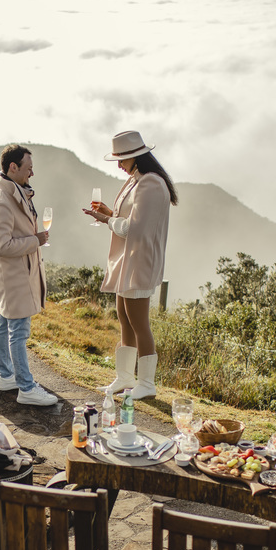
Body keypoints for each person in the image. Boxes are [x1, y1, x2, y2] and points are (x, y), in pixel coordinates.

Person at [84, 130, 178, 399]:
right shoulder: (136, 181)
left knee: (139, 323)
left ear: (136, 156)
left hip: (139, 261)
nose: (119, 165)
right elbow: (129, 218)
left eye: (121, 159)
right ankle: (125, 377)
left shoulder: (151, 184)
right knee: (124, 318)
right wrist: (109, 212)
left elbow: (133, 229)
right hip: (127, 260)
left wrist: (106, 220)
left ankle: (147, 384)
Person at [0, 143, 58, 406]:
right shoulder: (2, 203)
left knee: (5, 324)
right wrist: (35, 241)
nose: (32, 173)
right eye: (28, 168)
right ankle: (26, 388)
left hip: (15, 274)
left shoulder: (13, 193)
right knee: (19, 331)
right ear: (13, 167)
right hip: (16, 276)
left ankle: (7, 376)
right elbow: (1, 246)